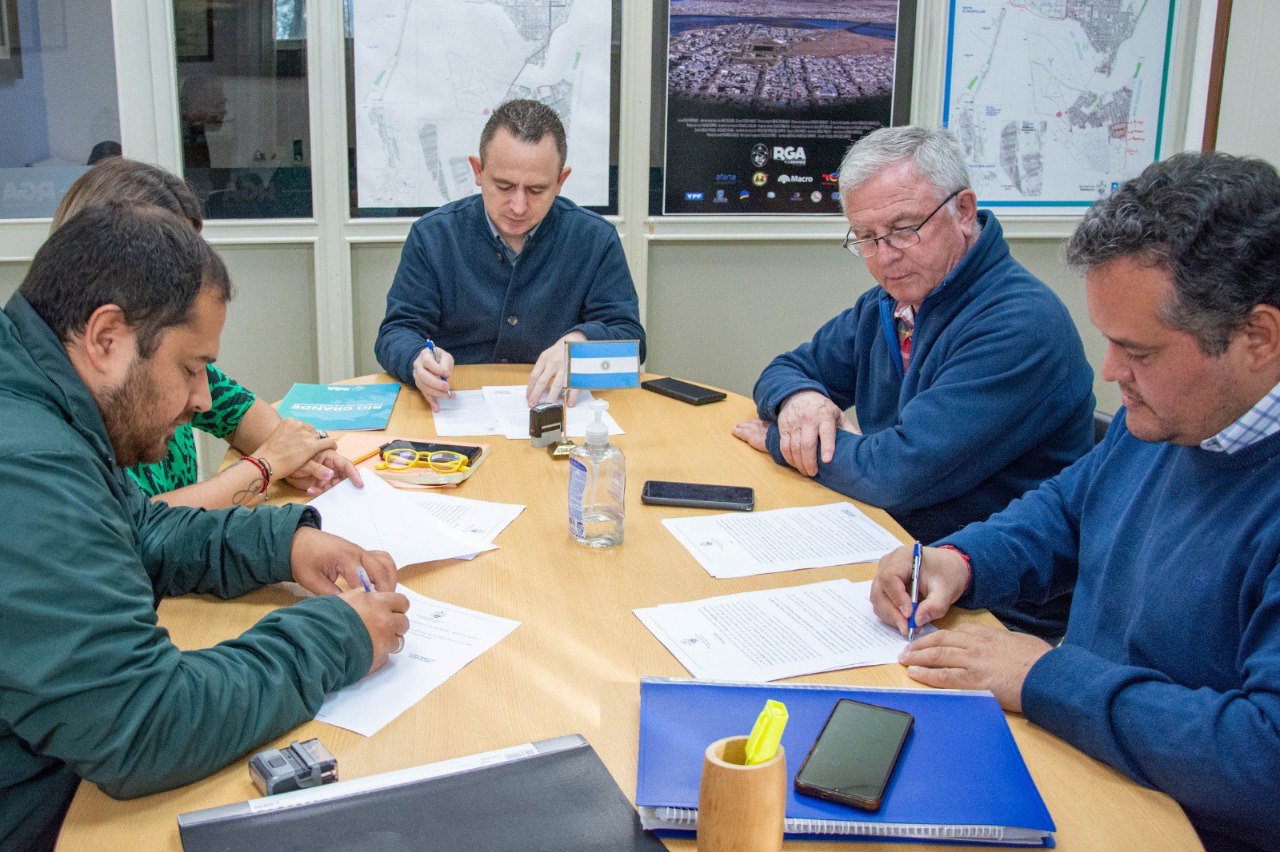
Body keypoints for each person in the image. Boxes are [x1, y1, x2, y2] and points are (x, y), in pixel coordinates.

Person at [871, 151, 1280, 851]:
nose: (1109, 372)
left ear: (1259, 338)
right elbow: (1068, 508)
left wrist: (1044, 676)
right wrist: (961, 561)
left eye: (1138, 352)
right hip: (1072, 755)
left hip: (1167, 820)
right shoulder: (1164, 415)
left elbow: (1261, 758)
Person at [0, 202, 410, 850]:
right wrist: (335, 636)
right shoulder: (23, 466)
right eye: (190, 367)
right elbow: (144, 726)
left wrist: (283, 542)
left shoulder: (37, 405)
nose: (200, 398)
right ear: (107, 339)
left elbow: (142, 530)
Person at [732, 126, 1095, 637]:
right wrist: (802, 399)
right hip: (894, 552)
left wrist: (778, 438)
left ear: (963, 211)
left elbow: (895, 473)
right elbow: (785, 368)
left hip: (991, 603)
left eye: (904, 229)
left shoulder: (1019, 323)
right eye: (866, 237)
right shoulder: (893, 302)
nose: (884, 256)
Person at [52, 157, 362, 508]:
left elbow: (239, 412)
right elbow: (136, 525)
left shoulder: (169, 368)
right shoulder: (74, 417)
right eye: (176, 265)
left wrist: (302, 455)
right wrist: (267, 465)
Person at [374, 98, 645, 409]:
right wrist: (417, 358)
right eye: (503, 186)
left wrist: (581, 343)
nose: (518, 206)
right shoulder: (433, 236)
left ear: (560, 181)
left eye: (536, 190)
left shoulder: (595, 239)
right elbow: (396, 331)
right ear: (478, 171)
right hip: (456, 407)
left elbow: (631, 346)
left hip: (558, 413)